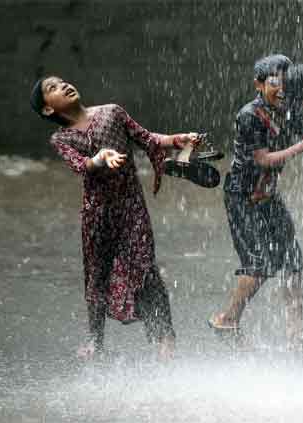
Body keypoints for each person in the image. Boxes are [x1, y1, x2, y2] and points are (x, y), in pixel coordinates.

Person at [29, 75, 201, 361]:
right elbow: (80, 164)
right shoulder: (61, 138)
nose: (64, 85)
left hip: (131, 207)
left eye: (62, 81)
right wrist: (99, 158)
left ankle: (165, 336)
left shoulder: (112, 111)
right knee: (97, 277)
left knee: (145, 269)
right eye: (53, 88)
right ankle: (96, 342)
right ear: (48, 109)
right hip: (98, 214)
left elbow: (146, 138)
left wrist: (175, 140)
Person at [207, 55, 303, 347]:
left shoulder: (288, 109)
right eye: (274, 82)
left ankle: (295, 337)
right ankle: (227, 319)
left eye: (285, 81)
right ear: (258, 85)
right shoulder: (249, 115)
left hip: (269, 197)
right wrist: (299, 146)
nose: (281, 87)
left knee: (292, 261)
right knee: (258, 264)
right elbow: (261, 159)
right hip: (242, 197)